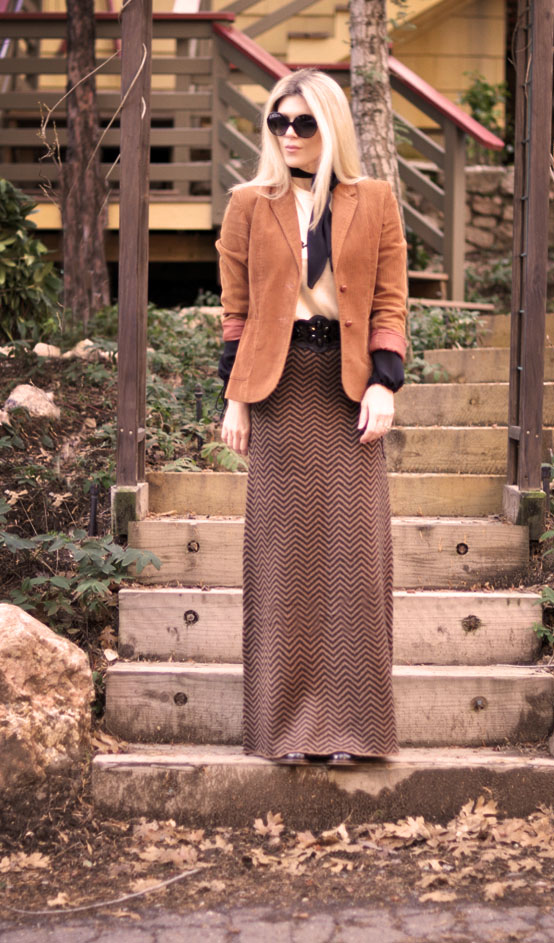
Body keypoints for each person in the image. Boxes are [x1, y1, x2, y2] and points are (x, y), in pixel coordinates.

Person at [216, 68, 407, 763]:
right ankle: (287, 730)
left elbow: (389, 302)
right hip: (280, 387)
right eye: (278, 122)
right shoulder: (247, 204)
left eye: (303, 123)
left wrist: (384, 384)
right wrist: (235, 396)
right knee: (284, 558)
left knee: (355, 558)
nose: (289, 135)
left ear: (331, 127)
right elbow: (236, 313)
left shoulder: (376, 201)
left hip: (349, 388)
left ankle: (355, 729)